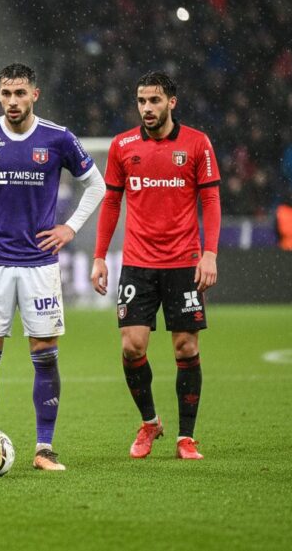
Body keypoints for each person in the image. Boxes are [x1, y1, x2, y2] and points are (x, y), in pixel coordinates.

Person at [0, 63, 106, 471]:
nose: (13, 101)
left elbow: (96, 184)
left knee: (45, 355)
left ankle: (44, 450)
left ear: (35, 95)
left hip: (39, 264)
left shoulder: (58, 138)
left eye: (20, 93)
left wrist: (69, 228)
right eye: (6, 94)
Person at [90, 71, 221, 460]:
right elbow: (112, 203)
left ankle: (186, 437)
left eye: (154, 101)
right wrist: (99, 255)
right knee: (132, 347)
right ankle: (150, 422)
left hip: (184, 262)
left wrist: (209, 253)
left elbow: (211, 201)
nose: (147, 108)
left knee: (185, 347)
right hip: (138, 262)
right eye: (142, 101)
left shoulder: (197, 144)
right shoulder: (122, 146)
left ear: (171, 102)